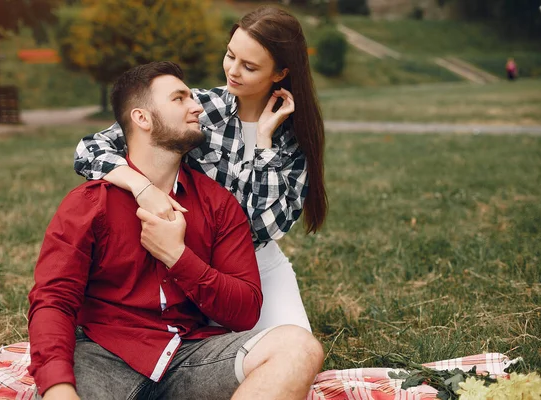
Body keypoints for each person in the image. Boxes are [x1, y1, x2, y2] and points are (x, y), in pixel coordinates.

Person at [28, 62, 324, 400]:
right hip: (101, 356)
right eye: (180, 98)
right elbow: (52, 300)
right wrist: (57, 388)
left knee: (299, 347)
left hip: (188, 358)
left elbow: (245, 311)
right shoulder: (90, 203)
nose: (197, 106)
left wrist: (178, 257)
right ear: (142, 118)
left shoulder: (218, 204)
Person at [73, 6, 327, 332]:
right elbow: (90, 150)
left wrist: (264, 141)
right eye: (230, 55)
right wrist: (143, 188)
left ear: (279, 74)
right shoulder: (200, 109)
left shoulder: (293, 137)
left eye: (249, 66)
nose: (233, 70)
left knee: (293, 354)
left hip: (255, 266)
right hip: (185, 260)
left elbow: (261, 227)